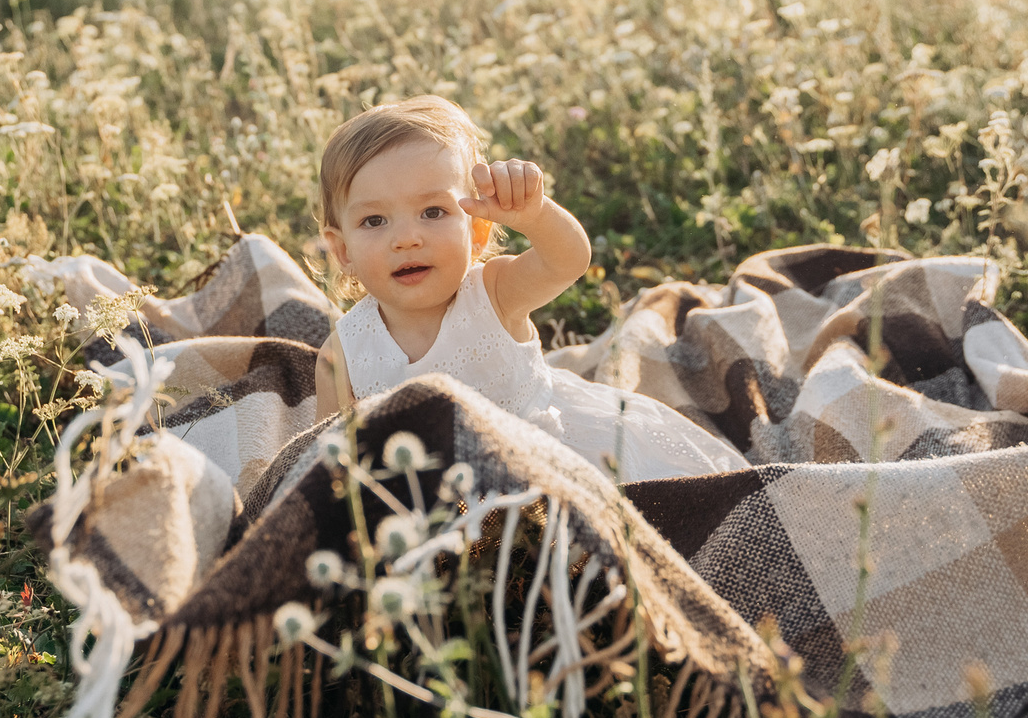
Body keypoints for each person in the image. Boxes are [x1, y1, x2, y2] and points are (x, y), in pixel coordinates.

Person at [313, 96, 746, 482]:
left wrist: (534, 214)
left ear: (478, 229)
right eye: (374, 221)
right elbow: (329, 460)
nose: (406, 238)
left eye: (432, 211)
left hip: (548, 468)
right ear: (342, 248)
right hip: (432, 494)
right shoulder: (343, 354)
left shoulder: (493, 292)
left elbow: (568, 261)